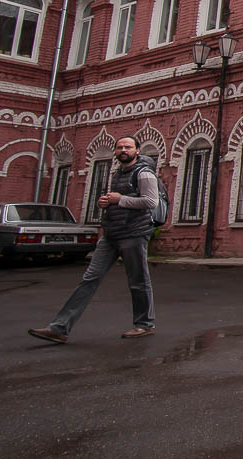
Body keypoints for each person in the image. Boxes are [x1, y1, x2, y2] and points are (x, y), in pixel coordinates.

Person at [28, 136, 158, 344]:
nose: (123, 150)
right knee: (89, 278)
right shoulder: (118, 173)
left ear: (137, 150)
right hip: (111, 234)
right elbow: (120, 199)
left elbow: (151, 201)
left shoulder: (143, 173)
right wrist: (105, 202)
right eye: (120, 147)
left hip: (133, 233)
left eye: (128, 147)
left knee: (138, 281)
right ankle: (59, 327)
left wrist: (119, 200)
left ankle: (144, 324)